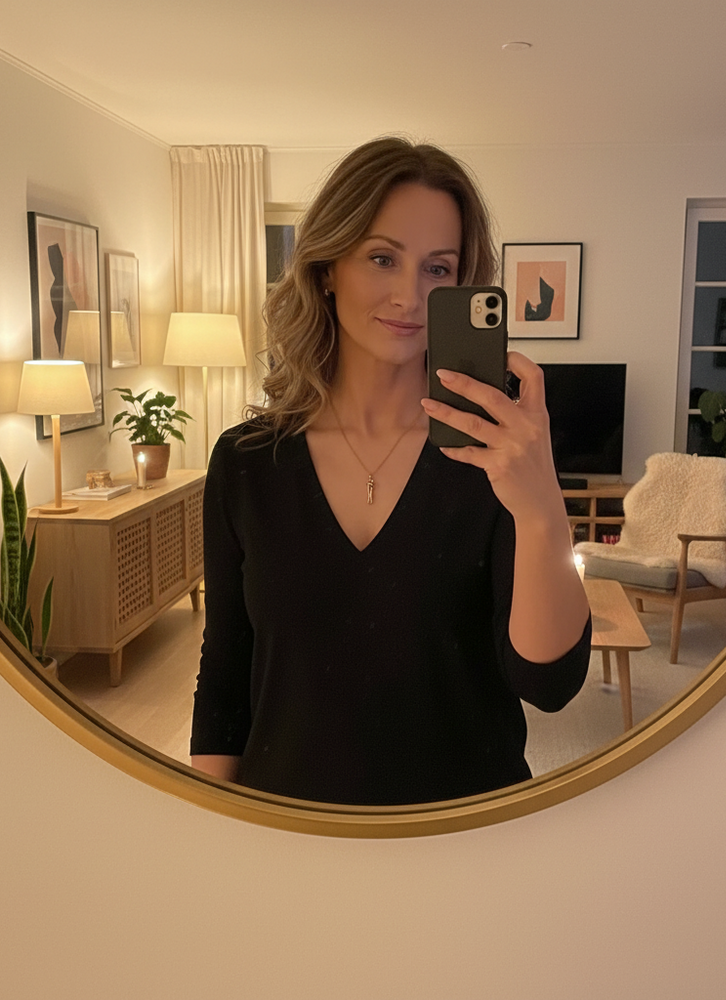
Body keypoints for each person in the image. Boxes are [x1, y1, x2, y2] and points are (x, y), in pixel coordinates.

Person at [190, 137, 592, 806]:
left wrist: (541, 508)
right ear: (327, 268)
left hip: (467, 832)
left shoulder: (494, 458)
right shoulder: (248, 461)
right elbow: (226, 670)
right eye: (382, 258)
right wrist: (211, 825)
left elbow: (548, 684)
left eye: (438, 268)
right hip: (288, 828)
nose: (410, 295)